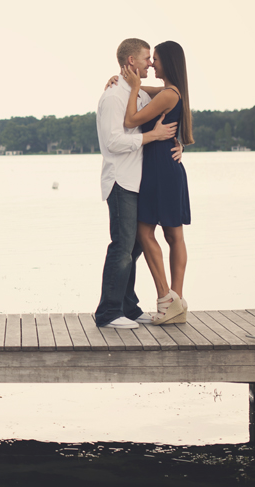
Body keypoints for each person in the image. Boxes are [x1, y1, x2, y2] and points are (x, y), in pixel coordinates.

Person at [94, 38, 181, 329]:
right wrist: (151, 137)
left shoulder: (137, 93)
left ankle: (128, 307)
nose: (151, 64)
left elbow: (169, 103)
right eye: (146, 58)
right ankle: (108, 313)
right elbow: (113, 141)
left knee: (134, 248)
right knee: (122, 246)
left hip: (140, 181)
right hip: (121, 180)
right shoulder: (113, 98)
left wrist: (178, 143)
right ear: (131, 61)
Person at [121, 40, 193, 325]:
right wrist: (130, 83)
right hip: (166, 168)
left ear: (168, 63)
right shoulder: (172, 92)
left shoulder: (168, 95)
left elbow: (130, 120)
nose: (152, 64)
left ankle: (168, 299)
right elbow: (154, 91)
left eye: (156, 59)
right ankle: (175, 302)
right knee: (173, 237)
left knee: (146, 232)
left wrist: (134, 88)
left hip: (160, 170)